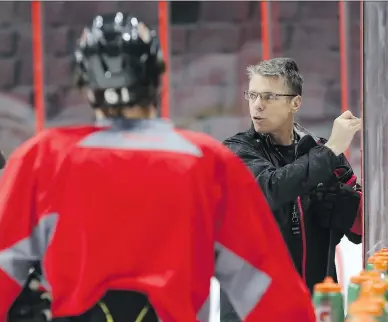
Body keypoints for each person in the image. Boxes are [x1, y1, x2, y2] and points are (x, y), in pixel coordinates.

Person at [0, 14, 316, 322]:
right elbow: (271, 293)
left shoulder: (42, 159)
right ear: (157, 77)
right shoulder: (207, 163)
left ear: (85, 83)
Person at [223, 57, 363, 292]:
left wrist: (347, 206)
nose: (257, 104)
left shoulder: (325, 155)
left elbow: (359, 230)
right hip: (254, 309)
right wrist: (330, 150)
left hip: (317, 304)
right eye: (252, 95)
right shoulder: (236, 149)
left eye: (269, 97)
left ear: (295, 103)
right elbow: (270, 188)